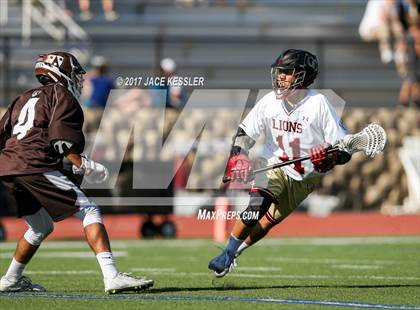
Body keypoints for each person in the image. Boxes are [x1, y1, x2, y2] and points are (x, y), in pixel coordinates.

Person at [0, 51, 153, 293]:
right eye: (74, 73)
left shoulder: (22, 98)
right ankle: (112, 276)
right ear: (60, 71)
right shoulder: (61, 94)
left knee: (40, 227)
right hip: (35, 164)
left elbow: (3, 135)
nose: (77, 79)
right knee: (89, 209)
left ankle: (10, 280)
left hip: (9, 167)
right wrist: (83, 163)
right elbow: (60, 140)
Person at [208, 49, 352, 277]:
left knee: (267, 222)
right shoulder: (269, 101)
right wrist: (240, 156)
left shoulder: (319, 104)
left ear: (304, 75)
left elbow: (343, 148)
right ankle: (227, 251)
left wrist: (328, 158)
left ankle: (237, 252)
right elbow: (244, 132)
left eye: (287, 72)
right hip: (272, 164)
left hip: (305, 177)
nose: (281, 77)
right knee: (257, 205)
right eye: (280, 72)